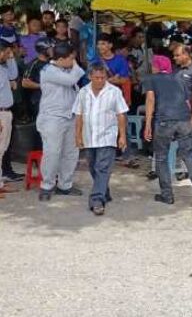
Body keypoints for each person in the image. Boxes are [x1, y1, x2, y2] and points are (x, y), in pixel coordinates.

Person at [143, 54, 192, 207]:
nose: (152, 66)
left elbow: (150, 100)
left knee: (161, 157)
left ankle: (167, 195)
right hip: (184, 119)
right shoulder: (179, 78)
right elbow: (187, 100)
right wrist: (191, 116)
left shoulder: (151, 79)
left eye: (154, 64)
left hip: (164, 121)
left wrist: (148, 124)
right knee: (188, 155)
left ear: (157, 66)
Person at [73, 63, 129, 216]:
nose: (99, 81)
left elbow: (121, 115)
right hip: (89, 137)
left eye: (103, 77)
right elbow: (78, 115)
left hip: (107, 136)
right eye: (96, 78)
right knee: (93, 167)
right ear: (90, 77)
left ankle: (97, 200)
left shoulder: (114, 91)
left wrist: (122, 136)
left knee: (102, 168)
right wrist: (77, 135)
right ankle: (105, 191)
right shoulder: (83, 92)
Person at [37, 42, 85, 201]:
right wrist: (76, 66)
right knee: (52, 152)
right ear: (62, 59)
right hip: (52, 118)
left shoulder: (66, 68)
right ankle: (47, 185)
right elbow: (72, 80)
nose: (74, 60)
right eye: (71, 58)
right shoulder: (49, 70)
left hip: (70, 116)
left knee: (71, 153)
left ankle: (65, 185)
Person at [22, 37, 55, 150]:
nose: (53, 50)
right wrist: (42, 86)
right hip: (38, 101)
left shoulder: (53, 63)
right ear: (43, 49)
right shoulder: (34, 63)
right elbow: (25, 83)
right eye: (50, 48)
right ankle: (39, 154)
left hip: (51, 101)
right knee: (41, 128)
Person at [0, 41, 18, 196]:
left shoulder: (3, 68)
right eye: (7, 53)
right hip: (0, 114)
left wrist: (10, 57)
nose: (9, 55)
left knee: (2, 149)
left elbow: (14, 75)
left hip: (5, 112)